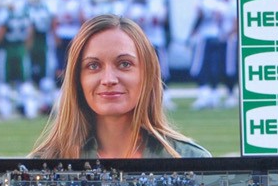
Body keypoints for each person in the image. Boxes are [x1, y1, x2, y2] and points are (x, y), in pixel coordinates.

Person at [29, 14, 212, 160]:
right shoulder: (41, 165)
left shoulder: (192, 159)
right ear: (77, 79)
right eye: (93, 66)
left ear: (147, 73)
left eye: (124, 64)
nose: (108, 79)